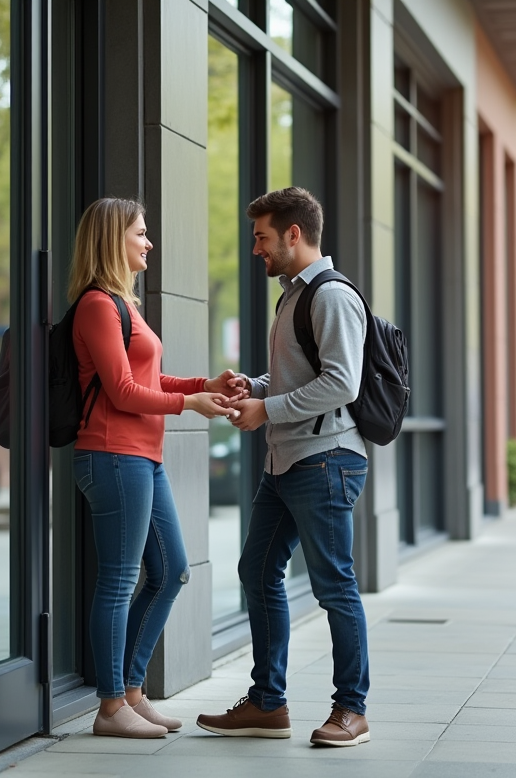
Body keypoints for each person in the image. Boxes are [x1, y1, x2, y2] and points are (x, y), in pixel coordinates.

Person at [196, 187, 373, 747]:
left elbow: (342, 384)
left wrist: (265, 409)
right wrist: (255, 386)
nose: (256, 249)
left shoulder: (331, 295)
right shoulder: (291, 296)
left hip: (326, 461)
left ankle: (352, 710)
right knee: (258, 571)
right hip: (286, 461)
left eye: (262, 237)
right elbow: (302, 377)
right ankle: (268, 703)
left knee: (333, 586)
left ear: (294, 234)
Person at [68, 198, 245, 739]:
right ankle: (109, 706)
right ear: (112, 238)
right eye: (140, 233)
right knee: (120, 580)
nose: (149, 243)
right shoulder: (98, 304)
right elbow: (122, 394)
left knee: (172, 571)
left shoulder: (125, 304)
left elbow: (148, 380)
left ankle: (132, 691)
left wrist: (203, 385)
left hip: (142, 456)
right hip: (112, 453)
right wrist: (191, 407)